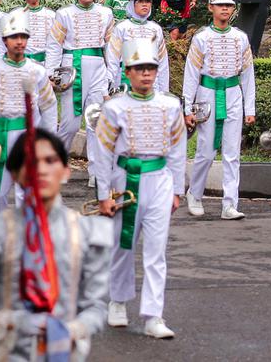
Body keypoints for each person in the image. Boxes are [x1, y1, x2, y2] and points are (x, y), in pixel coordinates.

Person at [0, 130, 113, 361]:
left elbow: (96, 308)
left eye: (50, 161)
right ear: (15, 173)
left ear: (66, 171)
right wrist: (10, 322)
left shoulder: (87, 234)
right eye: (30, 162)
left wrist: (70, 330)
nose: (40, 169)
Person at [88, 37, 185, 339]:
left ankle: (154, 315)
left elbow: (178, 149)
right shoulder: (114, 107)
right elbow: (103, 153)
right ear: (127, 72)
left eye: (150, 68)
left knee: (157, 250)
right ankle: (117, 300)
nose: (146, 74)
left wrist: (177, 190)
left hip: (159, 180)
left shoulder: (170, 105)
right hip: (125, 181)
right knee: (123, 243)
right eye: (139, 68)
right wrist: (103, 194)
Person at [184, 0, 256, 220]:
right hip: (208, 94)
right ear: (211, 7)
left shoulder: (241, 38)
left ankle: (229, 204)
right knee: (205, 149)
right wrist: (187, 107)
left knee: (232, 152)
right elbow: (192, 74)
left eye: (229, 5)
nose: (225, 9)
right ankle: (194, 193)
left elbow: (247, 74)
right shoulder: (201, 38)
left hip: (233, 93)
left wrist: (250, 107)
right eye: (220, 4)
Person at [0, 10, 59, 203]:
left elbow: (49, 107)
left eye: (23, 36)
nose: (19, 41)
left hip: (27, 135)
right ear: (5, 40)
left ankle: (25, 231)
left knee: (27, 191)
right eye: (14, 37)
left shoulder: (37, 71)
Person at [46, 0, 114, 149]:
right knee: (70, 124)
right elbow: (54, 46)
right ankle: (56, 160)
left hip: (98, 67)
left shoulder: (105, 13)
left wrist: (112, 75)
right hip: (72, 68)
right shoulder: (64, 13)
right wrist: (51, 74)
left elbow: (111, 48)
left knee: (96, 120)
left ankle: (96, 173)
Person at [104, 0, 170, 94]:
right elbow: (112, 58)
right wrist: (109, 85)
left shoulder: (156, 29)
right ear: (132, 4)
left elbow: (163, 62)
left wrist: (164, 91)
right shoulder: (122, 28)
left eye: (147, 1)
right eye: (140, 1)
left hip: (151, 83)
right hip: (125, 82)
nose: (145, 4)